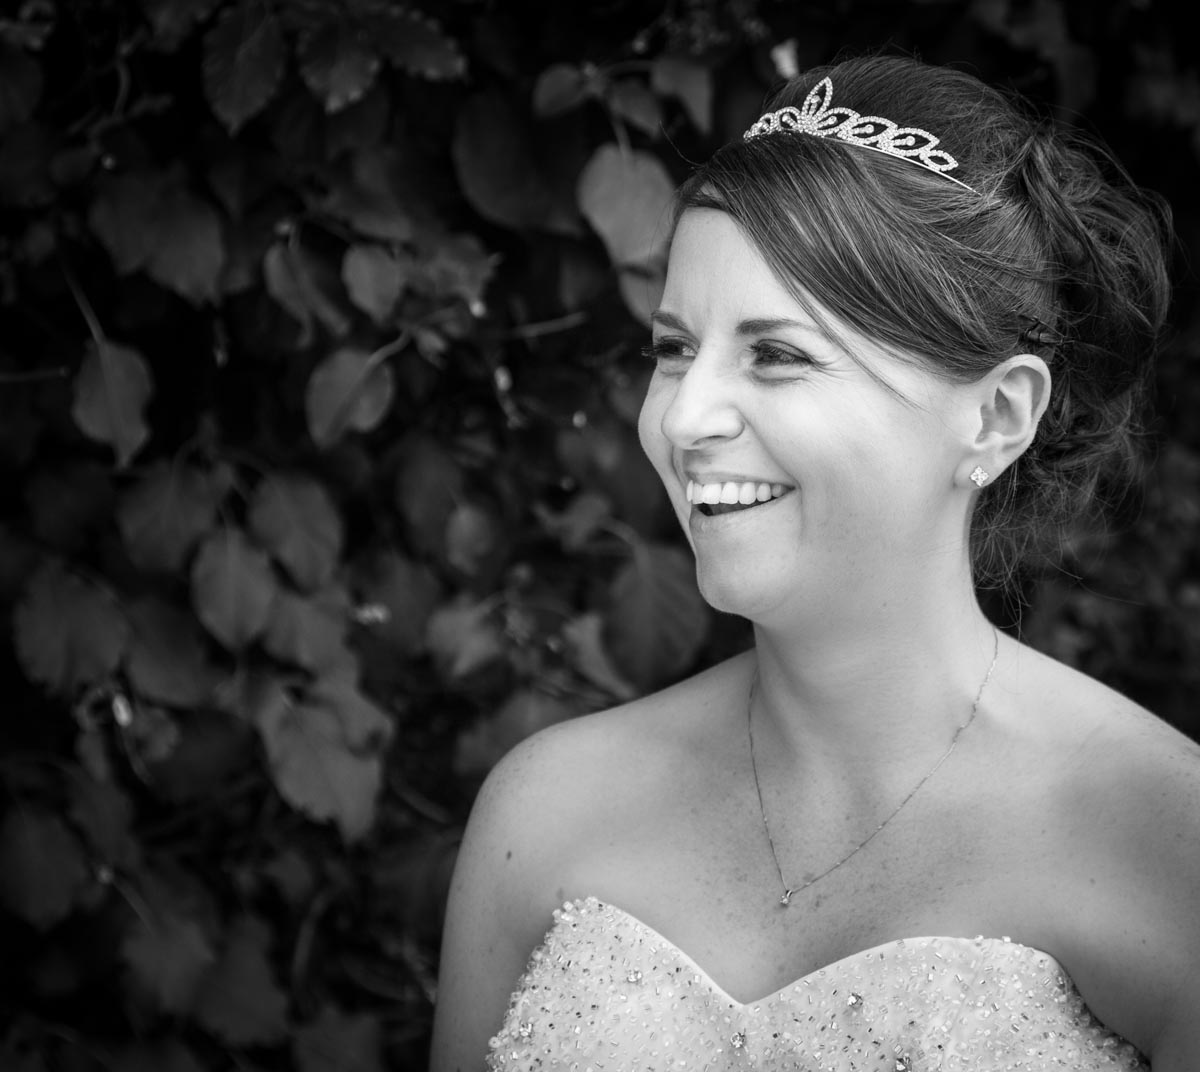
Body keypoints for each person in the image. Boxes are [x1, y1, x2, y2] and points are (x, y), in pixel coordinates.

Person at [430, 54, 1200, 1070]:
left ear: (996, 415)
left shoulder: (1167, 842)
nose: (684, 419)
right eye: (673, 348)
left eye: (778, 354)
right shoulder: (544, 810)